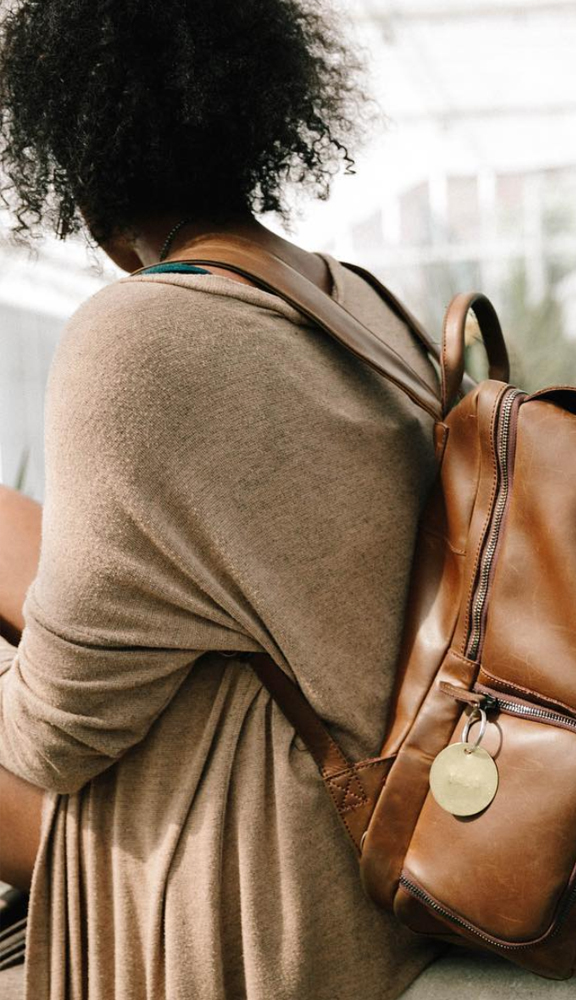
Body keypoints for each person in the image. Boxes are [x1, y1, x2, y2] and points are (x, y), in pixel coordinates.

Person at [0, 1, 444, 996]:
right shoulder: (363, 301)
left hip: (273, 884)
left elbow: (57, 736)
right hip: (405, 821)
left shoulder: (134, 338)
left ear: (73, 157)